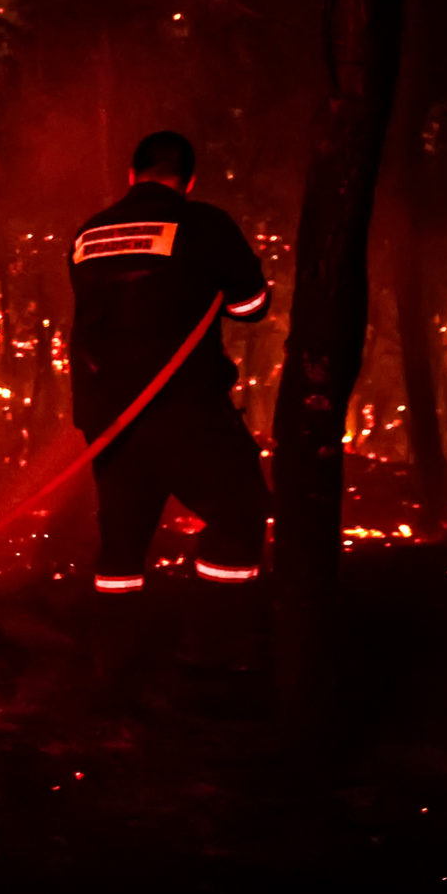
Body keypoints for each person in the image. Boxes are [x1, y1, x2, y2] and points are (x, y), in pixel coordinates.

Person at [67, 129, 273, 594]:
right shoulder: (205, 225)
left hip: (109, 418)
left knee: (122, 542)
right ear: (189, 180)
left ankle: (116, 636)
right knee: (240, 512)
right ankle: (215, 627)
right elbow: (251, 307)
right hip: (186, 410)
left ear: (132, 175)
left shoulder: (89, 232)